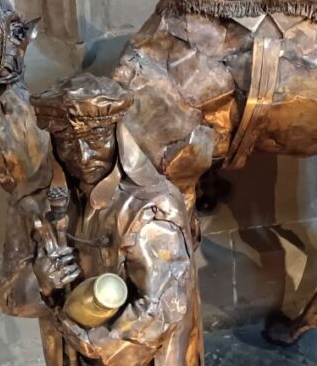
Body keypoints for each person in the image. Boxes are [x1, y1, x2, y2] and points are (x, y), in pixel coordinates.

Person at [27, 73, 202, 366]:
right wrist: (44, 285)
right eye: (67, 142)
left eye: (96, 139)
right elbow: (11, 296)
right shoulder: (41, 202)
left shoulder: (151, 206)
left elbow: (159, 309)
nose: (83, 157)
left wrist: (89, 341)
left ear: (118, 136)